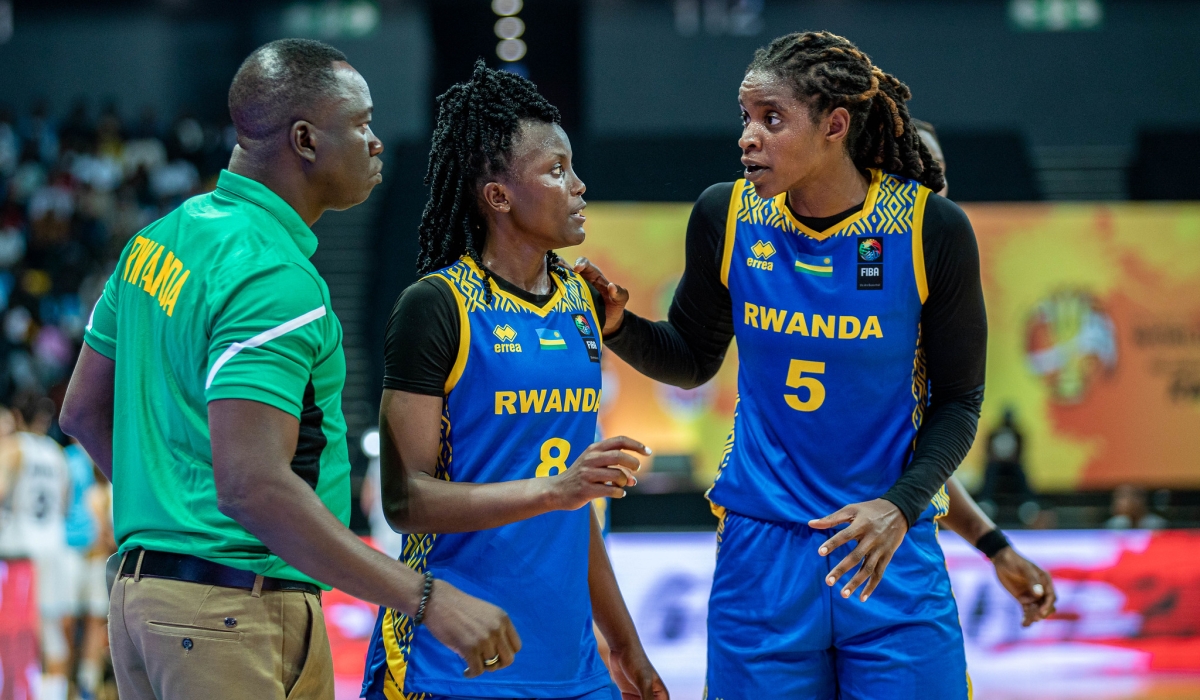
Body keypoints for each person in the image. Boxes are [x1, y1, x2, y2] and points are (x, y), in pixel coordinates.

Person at [59, 39, 519, 700]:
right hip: (233, 607)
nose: (377, 142)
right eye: (360, 124)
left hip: (149, 604)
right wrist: (426, 598)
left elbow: (80, 411)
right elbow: (251, 488)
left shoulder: (154, 243)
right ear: (305, 139)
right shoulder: (272, 274)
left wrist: (176, 509)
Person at [576, 31, 983, 698]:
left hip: (885, 541)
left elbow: (959, 400)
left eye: (772, 118)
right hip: (762, 552)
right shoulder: (725, 214)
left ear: (835, 126)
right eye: (745, 118)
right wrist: (618, 326)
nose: (748, 138)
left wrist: (898, 508)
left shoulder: (928, 230)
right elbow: (691, 359)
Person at [361, 62, 666, 700]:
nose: (579, 185)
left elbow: (574, 511)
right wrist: (555, 489)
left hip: (575, 668)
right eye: (556, 171)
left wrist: (626, 647)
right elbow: (404, 500)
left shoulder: (582, 304)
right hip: (451, 664)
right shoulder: (435, 306)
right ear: (498, 196)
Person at [912, 119, 1056, 627]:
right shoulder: (843, 275)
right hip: (794, 546)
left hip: (896, 550)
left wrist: (995, 546)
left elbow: (915, 463)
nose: (934, 182)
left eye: (940, 171)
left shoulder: (936, 293)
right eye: (916, 165)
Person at [0, 394, 71, 700]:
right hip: (55, 548)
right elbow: (65, 506)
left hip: (21, 555)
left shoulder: (13, 448)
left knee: (18, 637)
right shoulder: (59, 454)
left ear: (16, 416)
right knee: (52, 634)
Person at [61, 439, 112, 700]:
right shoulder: (68, 457)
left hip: (97, 550)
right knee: (67, 618)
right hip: (70, 546)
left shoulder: (100, 448)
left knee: (95, 617)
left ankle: (86, 684)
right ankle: (65, 679)